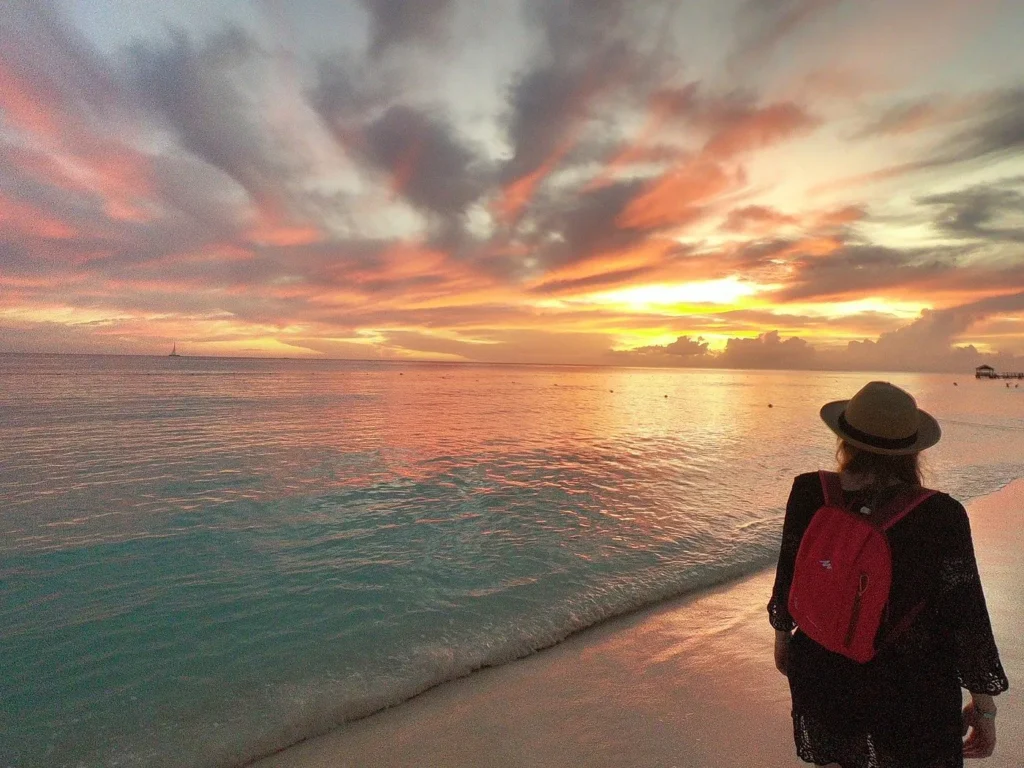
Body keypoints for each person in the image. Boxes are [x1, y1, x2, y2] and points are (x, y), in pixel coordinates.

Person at [768, 381, 1009, 767]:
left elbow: (789, 577)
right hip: (910, 683)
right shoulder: (940, 515)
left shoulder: (809, 491)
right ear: (911, 451)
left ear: (845, 439)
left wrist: (784, 641)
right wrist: (984, 707)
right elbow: (965, 617)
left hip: (821, 666)